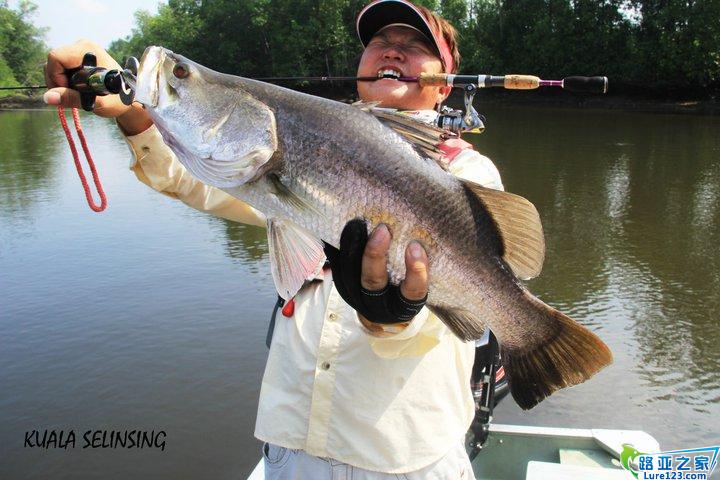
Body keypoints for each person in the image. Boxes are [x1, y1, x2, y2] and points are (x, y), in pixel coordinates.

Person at [44, 0, 503, 478]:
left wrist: (390, 315)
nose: (392, 50)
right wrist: (133, 110)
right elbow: (191, 179)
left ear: (444, 84)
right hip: (291, 449)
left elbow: (455, 315)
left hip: (405, 457)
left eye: (415, 44)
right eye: (380, 41)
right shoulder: (295, 147)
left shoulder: (470, 174)